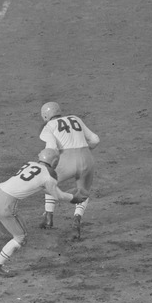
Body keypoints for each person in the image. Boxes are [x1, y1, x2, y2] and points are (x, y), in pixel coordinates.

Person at [0, 148, 84, 277]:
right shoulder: (49, 175)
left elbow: (36, 186)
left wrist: (64, 194)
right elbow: (57, 195)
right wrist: (73, 198)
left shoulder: (30, 164)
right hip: (6, 204)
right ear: (55, 161)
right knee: (21, 237)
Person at [38, 101, 100, 239]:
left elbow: (52, 148)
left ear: (45, 116)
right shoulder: (76, 118)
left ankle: (48, 217)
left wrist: (48, 164)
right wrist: (86, 151)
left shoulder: (49, 126)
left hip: (66, 160)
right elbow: (95, 139)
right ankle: (77, 218)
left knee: (48, 181)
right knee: (83, 191)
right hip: (87, 158)